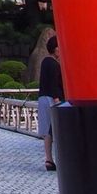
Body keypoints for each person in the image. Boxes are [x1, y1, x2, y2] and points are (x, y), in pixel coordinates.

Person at [38, 35, 64, 171]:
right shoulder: (53, 64)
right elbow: (54, 84)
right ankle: (58, 159)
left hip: (43, 97)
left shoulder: (44, 62)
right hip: (52, 99)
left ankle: (49, 159)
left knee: (47, 131)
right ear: (56, 49)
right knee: (55, 129)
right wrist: (57, 99)